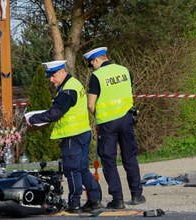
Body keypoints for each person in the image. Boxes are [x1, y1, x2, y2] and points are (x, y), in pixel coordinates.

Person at [26, 60, 102, 213]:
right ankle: (95, 199)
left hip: (72, 136)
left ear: (62, 71)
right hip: (83, 132)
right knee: (82, 169)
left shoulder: (67, 91)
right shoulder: (74, 83)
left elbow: (55, 113)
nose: (51, 79)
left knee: (72, 170)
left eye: (53, 76)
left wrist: (32, 119)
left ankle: (74, 203)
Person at [83, 47, 145, 209]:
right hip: (127, 118)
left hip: (107, 123)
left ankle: (117, 199)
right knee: (130, 157)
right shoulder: (125, 70)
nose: (92, 68)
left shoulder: (96, 76)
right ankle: (137, 194)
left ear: (96, 61)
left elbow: (90, 104)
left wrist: (99, 115)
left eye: (92, 64)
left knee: (109, 160)